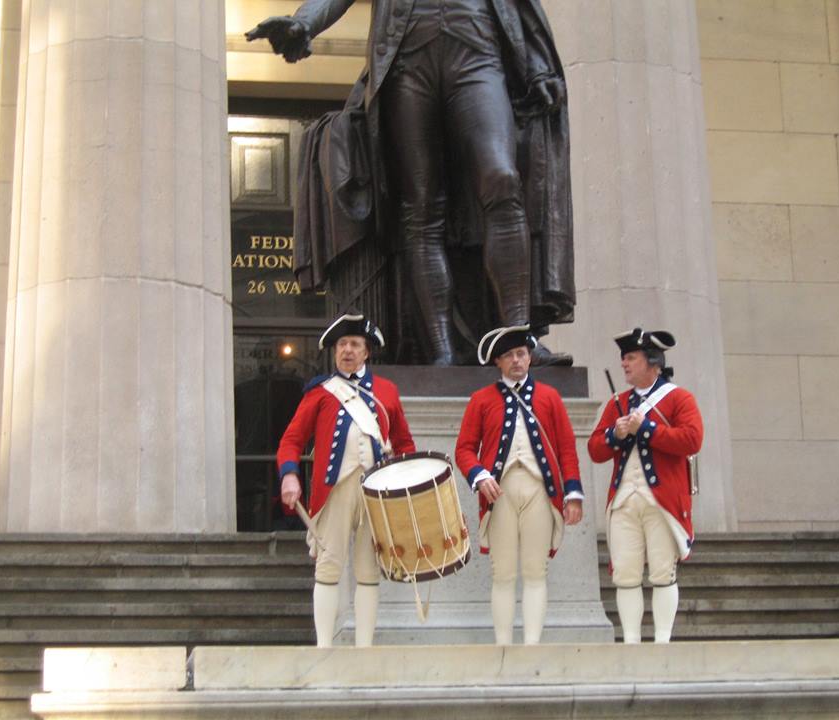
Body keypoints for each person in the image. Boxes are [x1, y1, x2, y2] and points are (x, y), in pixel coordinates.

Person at [246, 0, 574, 366]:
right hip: (407, 59)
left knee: (502, 179)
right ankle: (441, 352)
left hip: (477, 51)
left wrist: (539, 67)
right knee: (421, 207)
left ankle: (518, 340)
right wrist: (304, 22)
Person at [277, 313, 415, 647]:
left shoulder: (387, 391)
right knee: (328, 567)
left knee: (368, 571)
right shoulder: (320, 392)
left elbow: (405, 443)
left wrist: (406, 480)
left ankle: (364, 650)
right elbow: (291, 440)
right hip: (334, 491)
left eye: (354, 344)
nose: (347, 350)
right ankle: (324, 648)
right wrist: (289, 475)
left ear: (366, 352)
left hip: (376, 492)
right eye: (342, 345)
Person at [455, 325, 582, 644]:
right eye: (509, 355)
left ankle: (532, 646)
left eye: (521, 354)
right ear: (497, 361)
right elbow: (464, 449)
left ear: (530, 358)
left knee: (536, 571)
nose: (516, 360)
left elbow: (567, 449)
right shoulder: (481, 400)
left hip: (540, 491)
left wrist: (573, 494)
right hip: (500, 494)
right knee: (503, 573)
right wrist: (480, 475)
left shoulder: (550, 397)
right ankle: (504, 645)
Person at [588, 328, 703, 644]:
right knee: (625, 574)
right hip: (624, 500)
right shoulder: (619, 403)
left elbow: (692, 439)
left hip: (662, 501)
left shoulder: (679, 398)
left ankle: (662, 642)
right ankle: (631, 642)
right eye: (623, 358)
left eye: (631, 357)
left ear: (652, 361)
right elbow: (596, 449)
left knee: (663, 572)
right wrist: (615, 434)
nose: (624, 364)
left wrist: (647, 429)